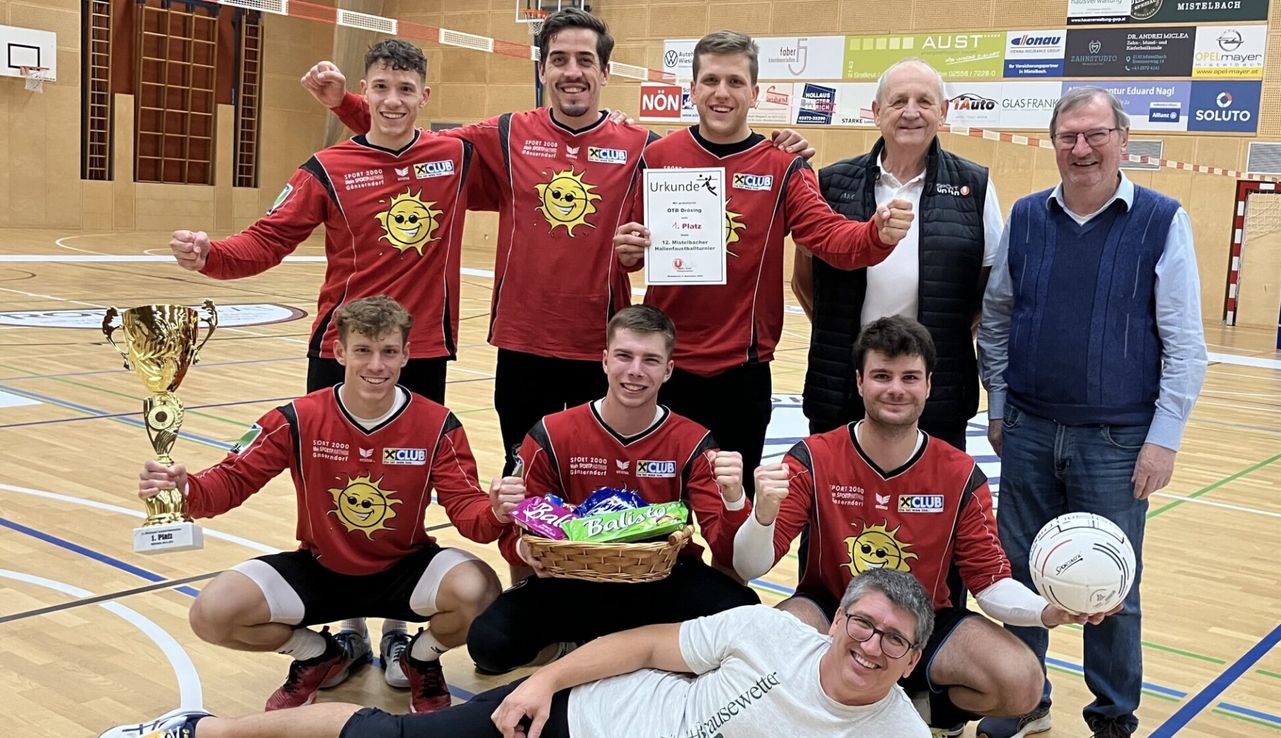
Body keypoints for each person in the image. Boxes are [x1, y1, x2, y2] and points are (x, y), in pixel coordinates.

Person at [301, 9, 813, 480]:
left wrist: (774, 148)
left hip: (603, 353)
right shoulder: (504, 135)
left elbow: (716, 159)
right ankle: (528, 583)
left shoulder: (644, 149)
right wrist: (347, 105)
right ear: (543, 70)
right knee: (525, 485)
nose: (573, 71)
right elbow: (410, 144)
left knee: (603, 483)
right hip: (524, 348)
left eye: (585, 60)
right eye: (560, 60)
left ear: (605, 73)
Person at [734, 316, 1113, 736]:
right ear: (859, 382)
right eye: (882, 376)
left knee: (1024, 681)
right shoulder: (813, 457)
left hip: (925, 623)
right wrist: (762, 516)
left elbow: (988, 582)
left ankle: (926, 705)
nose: (896, 389)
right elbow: (751, 564)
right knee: (771, 645)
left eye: (909, 377)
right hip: (833, 611)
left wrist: (1047, 610)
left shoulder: (959, 474)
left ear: (929, 385)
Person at [136, 296, 505, 713]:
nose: (376, 366)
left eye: (388, 352)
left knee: (481, 591)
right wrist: (185, 490)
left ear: (406, 354)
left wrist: (494, 511)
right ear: (339, 351)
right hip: (320, 569)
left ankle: (419, 658)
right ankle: (318, 654)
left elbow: (468, 514)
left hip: (404, 569)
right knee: (212, 614)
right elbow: (232, 481)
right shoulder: (295, 418)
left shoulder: (438, 424)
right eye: (363, 351)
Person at [975, 87, 1208, 738]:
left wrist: (1164, 439)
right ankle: (1022, 701)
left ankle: (1112, 718)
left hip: (1119, 439)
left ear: (1123, 141)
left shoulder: (1162, 219)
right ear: (1052, 144)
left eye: (1095, 135)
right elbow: (995, 319)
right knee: (1019, 574)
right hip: (1026, 427)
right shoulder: (1025, 218)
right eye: (1068, 136)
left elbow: (1187, 344)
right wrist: (999, 404)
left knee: (1115, 589)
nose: (1081, 148)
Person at [100, 568, 935, 738]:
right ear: (834, 623)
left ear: (908, 664)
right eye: (862, 623)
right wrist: (546, 687)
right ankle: (200, 733)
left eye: (893, 640)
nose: (870, 644)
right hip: (580, 718)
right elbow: (643, 642)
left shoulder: (894, 732)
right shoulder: (770, 632)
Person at [613, 31, 914, 499]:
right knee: (658, 513)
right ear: (692, 89)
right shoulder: (657, 158)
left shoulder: (783, 165)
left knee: (733, 512)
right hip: (665, 367)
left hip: (742, 373)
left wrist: (876, 235)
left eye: (735, 81)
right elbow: (630, 246)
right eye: (710, 80)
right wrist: (628, 250)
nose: (721, 92)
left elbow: (828, 236)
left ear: (754, 94)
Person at [169, 39, 476, 407]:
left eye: (405, 89)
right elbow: (269, 239)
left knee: (415, 463)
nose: (392, 101)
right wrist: (211, 256)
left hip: (420, 349)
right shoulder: (326, 169)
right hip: (344, 348)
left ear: (423, 96)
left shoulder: (455, 158)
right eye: (380, 87)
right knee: (328, 462)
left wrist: (342, 103)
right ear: (364, 90)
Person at [466, 304, 759, 675]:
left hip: (663, 580)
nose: (635, 371)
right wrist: (524, 547)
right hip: (573, 579)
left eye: (650, 360)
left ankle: (634, 650)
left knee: (745, 619)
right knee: (489, 644)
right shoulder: (551, 434)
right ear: (605, 360)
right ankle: (580, 652)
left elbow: (724, 545)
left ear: (668, 369)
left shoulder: (694, 441)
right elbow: (518, 533)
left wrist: (736, 500)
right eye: (624, 356)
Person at [792, 57, 1004, 450]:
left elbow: (987, 291)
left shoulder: (975, 187)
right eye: (898, 101)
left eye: (924, 101)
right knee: (834, 504)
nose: (911, 112)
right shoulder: (832, 183)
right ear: (876, 112)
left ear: (942, 112)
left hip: (936, 393)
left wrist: (939, 340)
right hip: (840, 385)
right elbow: (805, 281)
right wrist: (845, 338)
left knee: (931, 505)